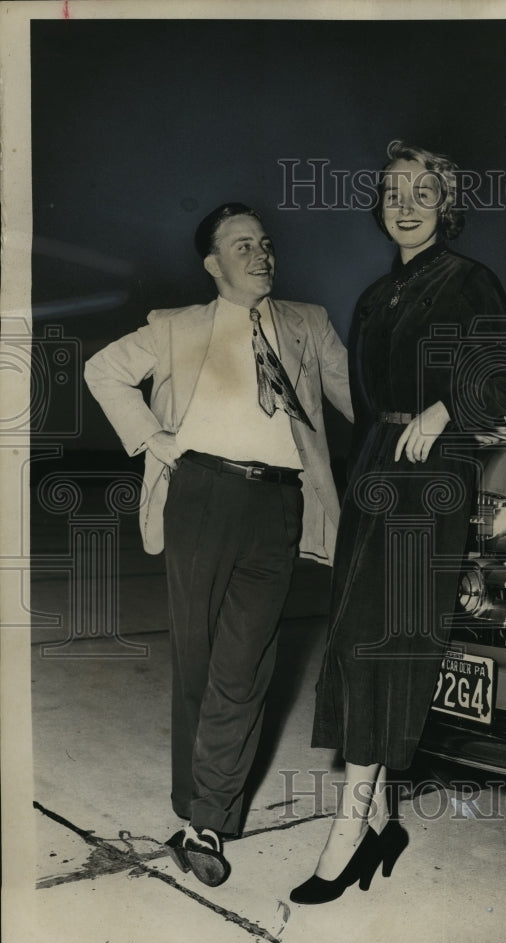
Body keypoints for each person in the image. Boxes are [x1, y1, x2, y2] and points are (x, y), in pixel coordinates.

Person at [290, 141, 506, 904]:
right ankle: (383, 817)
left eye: (422, 191)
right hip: (375, 473)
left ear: (445, 205)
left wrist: (445, 406)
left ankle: (348, 831)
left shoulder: (467, 280)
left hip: (428, 483)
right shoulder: (373, 297)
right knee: (355, 640)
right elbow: (362, 404)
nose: (405, 202)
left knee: (384, 644)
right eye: (394, 189)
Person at [84, 203, 353, 887]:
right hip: (201, 495)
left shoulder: (308, 322)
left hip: (280, 504)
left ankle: (206, 819)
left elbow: (364, 399)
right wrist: (154, 439)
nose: (261, 255)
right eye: (242, 245)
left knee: (247, 665)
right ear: (213, 264)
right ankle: (192, 799)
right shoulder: (177, 327)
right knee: (199, 661)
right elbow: (102, 371)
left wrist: (438, 408)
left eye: (265, 243)